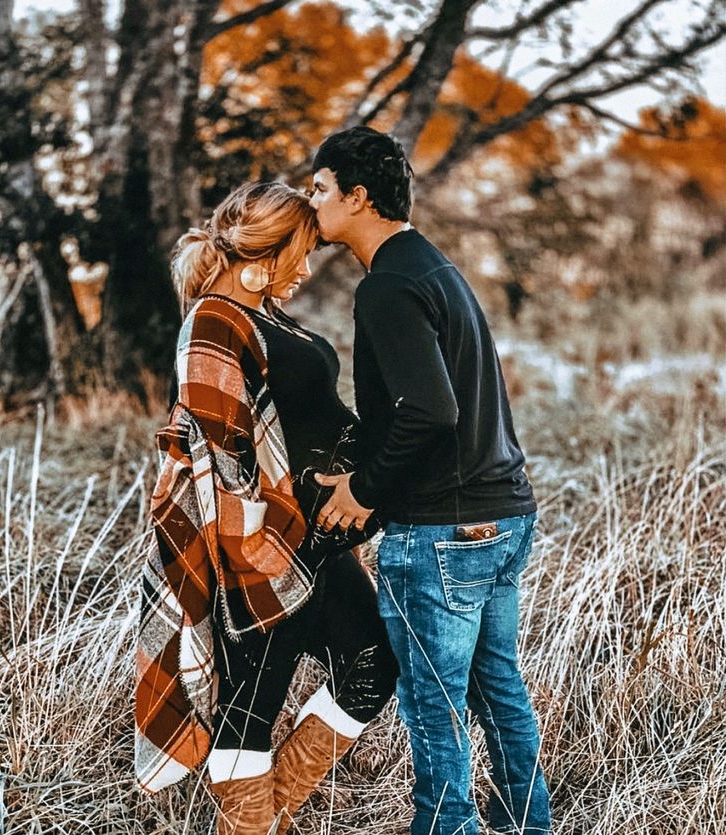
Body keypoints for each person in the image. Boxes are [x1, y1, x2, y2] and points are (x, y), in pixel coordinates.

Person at [134, 181, 397, 835]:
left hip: (310, 539)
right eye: (299, 253)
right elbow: (221, 454)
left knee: (372, 664)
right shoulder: (215, 319)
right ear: (265, 251)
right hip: (255, 546)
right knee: (250, 705)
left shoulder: (262, 314)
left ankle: (265, 817)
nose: (305, 269)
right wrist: (255, 553)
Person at [309, 127, 551, 835]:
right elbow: (424, 410)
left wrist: (363, 492)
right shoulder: (432, 268)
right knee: (497, 691)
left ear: (357, 196)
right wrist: (361, 471)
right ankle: (524, 825)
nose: (311, 202)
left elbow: (429, 411)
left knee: (432, 704)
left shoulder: (386, 285)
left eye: (320, 188)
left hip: (445, 531)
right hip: (501, 518)